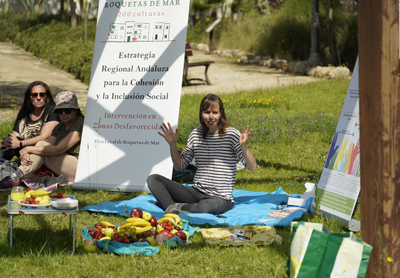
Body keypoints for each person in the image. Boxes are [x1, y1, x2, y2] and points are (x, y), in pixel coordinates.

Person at [147, 94, 257, 215]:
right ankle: (172, 208)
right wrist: (172, 145)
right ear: (201, 114)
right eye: (206, 112)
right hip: (196, 192)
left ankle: (174, 206)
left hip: (220, 198)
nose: (211, 117)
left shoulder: (231, 134)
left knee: (205, 207)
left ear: (221, 114)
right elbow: (179, 166)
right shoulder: (196, 134)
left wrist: (243, 147)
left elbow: (252, 167)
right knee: (153, 179)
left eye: (215, 112)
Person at [0, 91, 84, 190]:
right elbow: (46, 148)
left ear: (75, 110)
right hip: (63, 167)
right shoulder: (60, 126)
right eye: (60, 111)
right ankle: (48, 179)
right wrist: (25, 154)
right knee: (26, 176)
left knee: (41, 145)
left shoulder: (80, 123)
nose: (63, 113)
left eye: (67, 110)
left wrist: (27, 149)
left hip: (80, 169)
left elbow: (58, 150)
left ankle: (15, 176)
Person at [0, 81, 60, 165]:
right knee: (5, 149)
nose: (38, 98)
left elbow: (45, 137)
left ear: (47, 96)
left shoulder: (53, 111)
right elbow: (16, 137)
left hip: (41, 153)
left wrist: (20, 144)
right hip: (23, 150)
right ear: (29, 97)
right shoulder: (24, 113)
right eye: (34, 95)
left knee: (14, 166)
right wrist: (10, 143)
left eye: (42, 94)